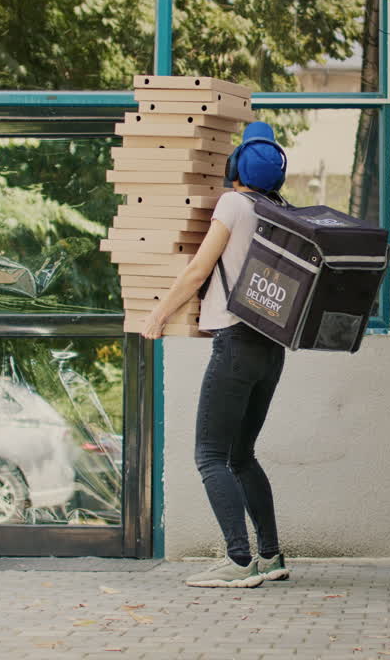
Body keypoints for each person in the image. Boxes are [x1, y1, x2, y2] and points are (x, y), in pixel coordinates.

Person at [139, 121, 291, 589]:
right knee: (242, 454)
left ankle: (238, 560)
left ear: (234, 168)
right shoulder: (278, 209)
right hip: (270, 348)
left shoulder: (232, 202)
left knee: (210, 456)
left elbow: (199, 269)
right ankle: (270, 555)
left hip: (235, 342)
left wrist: (158, 315)